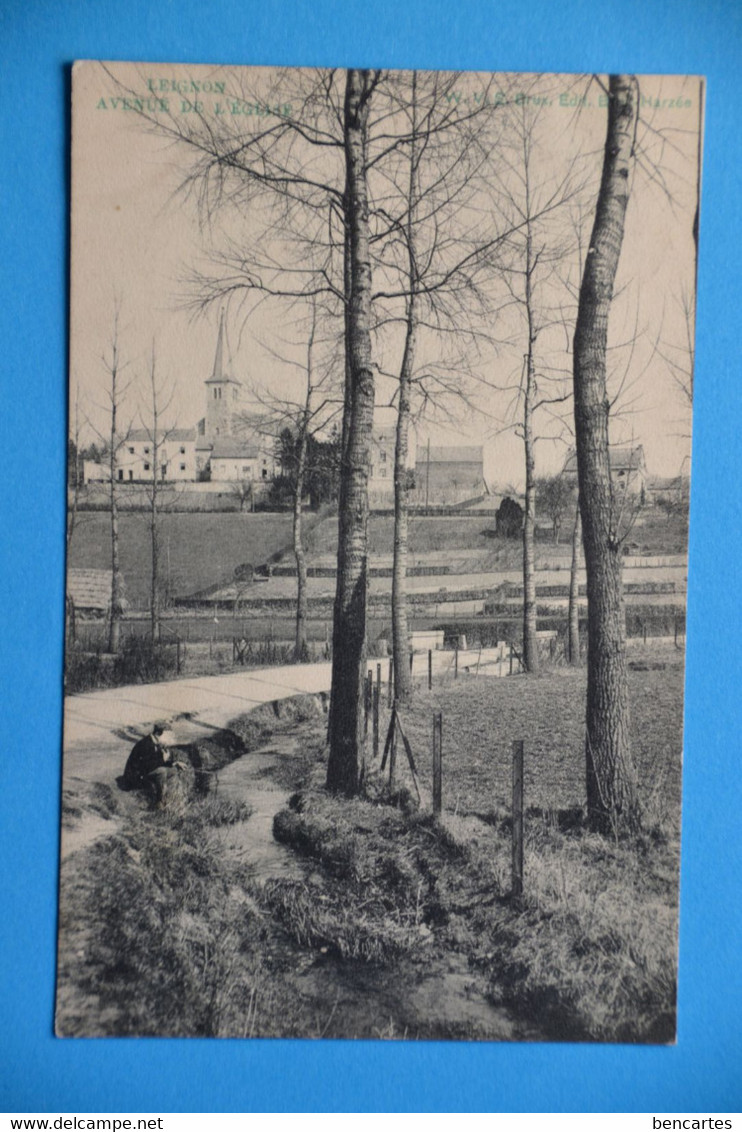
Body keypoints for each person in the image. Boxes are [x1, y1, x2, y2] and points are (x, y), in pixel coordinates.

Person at [122, 723, 184, 808]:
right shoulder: (145, 744)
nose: (171, 740)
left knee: (173, 770)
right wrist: (163, 759)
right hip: (136, 775)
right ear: (159, 734)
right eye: (169, 737)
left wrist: (175, 763)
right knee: (162, 772)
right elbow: (147, 765)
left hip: (146, 770)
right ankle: (159, 802)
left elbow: (156, 761)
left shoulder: (155, 742)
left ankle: (166, 795)